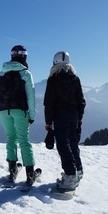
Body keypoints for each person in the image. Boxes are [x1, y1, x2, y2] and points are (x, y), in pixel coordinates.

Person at [43, 51, 86, 192]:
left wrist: (48, 122)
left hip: (59, 116)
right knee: (73, 143)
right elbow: (81, 100)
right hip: (73, 115)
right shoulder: (75, 78)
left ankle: (69, 176)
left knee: (62, 145)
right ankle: (78, 171)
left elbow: (48, 103)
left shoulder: (53, 79)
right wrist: (79, 117)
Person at [0, 45, 37, 186]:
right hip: (20, 110)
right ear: (24, 56)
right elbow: (31, 96)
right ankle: (30, 175)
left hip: (3, 110)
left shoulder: (2, 72)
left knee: (11, 138)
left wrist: (2, 107)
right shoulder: (25, 73)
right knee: (24, 140)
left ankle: (12, 170)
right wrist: (32, 115)